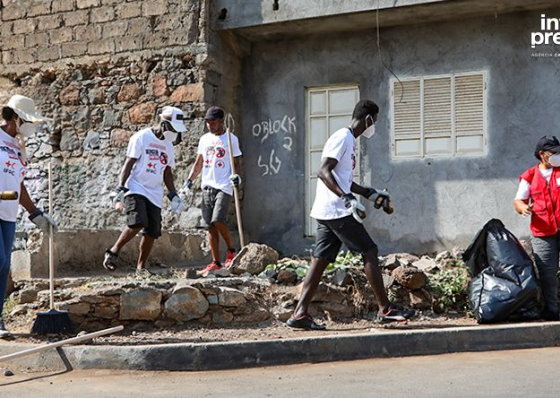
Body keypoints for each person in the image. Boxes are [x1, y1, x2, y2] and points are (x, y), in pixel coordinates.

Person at [286, 99, 415, 330]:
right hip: (337, 210)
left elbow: (343, 179)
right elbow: (324, 172)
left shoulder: (349, 141)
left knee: (320, 260)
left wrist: (369, 193)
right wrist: (346, 199)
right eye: (374, 121)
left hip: (329, 210)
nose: (373, 125)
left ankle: (299, 314)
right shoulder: (342, 138)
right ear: (367, 119)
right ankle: (385, 309)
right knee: (369, 250)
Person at [103, 106, 186, 275]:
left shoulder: (168, 146)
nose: (175, 133)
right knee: (138, 221)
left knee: (152, 231)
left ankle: (141, 268)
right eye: (173, 129)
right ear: (164, 124)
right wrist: (121, 186)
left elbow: (167, 172)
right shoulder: (141, 137)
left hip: (155, 192)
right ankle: (113, 252)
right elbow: (129, 163)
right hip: (136, 187)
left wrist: (173, 195)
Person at [0, 95, 58, 338]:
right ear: (15, 117)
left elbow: (19, 185)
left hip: (8, 214)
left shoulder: (16, 146)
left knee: (4, 267)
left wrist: (35, 214)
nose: (32, 126)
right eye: (28, 121)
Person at [185, 106, 242, 276]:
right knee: (210, 225)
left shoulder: (231, 139)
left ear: (221, 122)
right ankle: (216, 262)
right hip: (207, 184)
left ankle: (231, 250)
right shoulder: (204, 140)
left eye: (214, 123)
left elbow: (237, 162)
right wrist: (189, 181)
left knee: (218, 219)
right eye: (208, 123)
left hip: (224, 185)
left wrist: (237, 177)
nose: (211, 126)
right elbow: (199, 162)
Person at [514, 136, 560, 321]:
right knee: (547, 274)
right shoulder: (530, 176)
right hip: (543, 232)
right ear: (542, 154)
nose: (557, 155)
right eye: (554, 152)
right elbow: (518, 201)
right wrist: (523, 208)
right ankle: (552, 310)